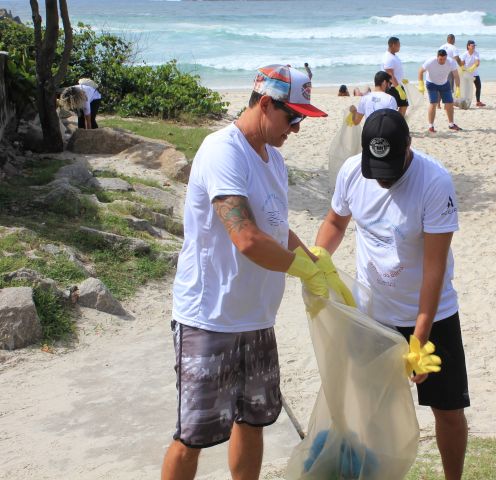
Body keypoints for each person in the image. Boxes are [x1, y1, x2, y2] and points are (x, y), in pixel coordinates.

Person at [161, 64, 348, 480]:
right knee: (194, 434)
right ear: (265, 103)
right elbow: (244, 236)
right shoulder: (222, 151)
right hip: (210, 319)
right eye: (292, 116)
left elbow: (276, 231)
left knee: (254, 420)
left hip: (258, 318)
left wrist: (316, 262)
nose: (297, 128)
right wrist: (301, 270)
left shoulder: (273, 161)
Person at [314, 109, 470, 480]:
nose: (383, 181)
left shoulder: (434, 183)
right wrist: (318, 260)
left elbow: (433, 272)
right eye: (376, 169)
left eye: (391, 170)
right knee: (370, 409)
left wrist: (419, 339)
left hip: (432, 317)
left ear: (408, 149)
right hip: (372, 317)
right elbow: (335, 222)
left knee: (447, 410)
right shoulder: (353, 172)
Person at [418, 49, 462, 132]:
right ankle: (431, 126)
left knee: (449, 103)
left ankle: (451, 124)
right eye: (441, 59)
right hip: (431, 84)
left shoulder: (451, 62)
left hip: (444, 84)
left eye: (444, 59)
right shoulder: (431, 61)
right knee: (433, 103)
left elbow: (456, 75)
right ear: (437, 57)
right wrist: (421, 84)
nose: (443, 61)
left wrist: (458, 88)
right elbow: (420, 71)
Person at [382, 36, 409, 117]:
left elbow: (397, 71)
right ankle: (394, 125)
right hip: (392, 87)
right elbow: (390, 75)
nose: (400, 47)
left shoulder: (394, 55)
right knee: (392, 108)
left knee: (404, 105)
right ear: (393, 45)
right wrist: (399, 89)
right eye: (399, 45)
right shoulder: (388, 58)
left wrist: (402, 79)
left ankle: (399, 124)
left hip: (398, 85)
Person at [461, 40, 485, 107]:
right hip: (467, 74)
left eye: (474, 46)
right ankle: (464, 101)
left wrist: (472, 68)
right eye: (472, 45)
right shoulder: (464, 54)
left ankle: (478, 102)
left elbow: (477, 63)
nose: (474, 47)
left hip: (475, 74)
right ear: (468, 46)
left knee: (478, 87)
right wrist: (464, 69)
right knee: (466, 89)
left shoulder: (476, 53)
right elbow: (461, 64)